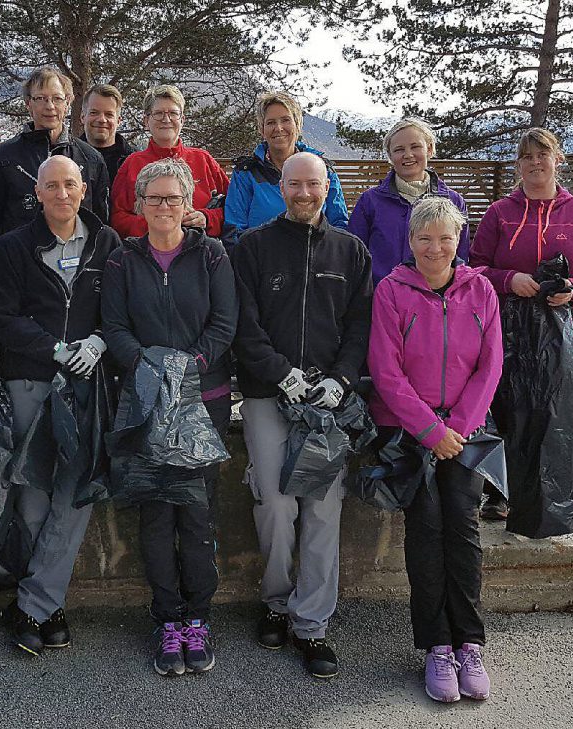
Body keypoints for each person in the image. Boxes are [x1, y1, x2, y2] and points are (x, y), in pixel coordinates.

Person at [231, 152, 372, 679]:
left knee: (321, 506)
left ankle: (311, 623)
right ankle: (275, 599)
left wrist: (340, 377)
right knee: (274, 502)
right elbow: (244, 327)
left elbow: (360, 325)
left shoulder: (350, 251)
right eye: (295, 184)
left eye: (314, 184)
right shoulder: (253, 247)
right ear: (282, 188)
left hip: (327, 405)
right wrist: (280, 371)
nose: (305, 193)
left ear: (326, 186)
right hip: (270, 394)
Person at [101, 158, 237, 677]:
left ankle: (198, 616)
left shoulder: (212, 256)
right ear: (139, 205)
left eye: (172, 199)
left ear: (188, 205)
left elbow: (225, 323)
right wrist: (152, 366)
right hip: (145, 401)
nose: (163, 207)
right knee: (156, 513)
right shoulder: (122, 260)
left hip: (204, 399)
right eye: (153, 199)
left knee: (198, 512)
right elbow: (113, 327)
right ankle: (167, 619)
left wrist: (189, 366)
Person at [367, 196, 502, 703]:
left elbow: (490, 365)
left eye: (445, 237)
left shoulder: (481, 289)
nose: (435, 247)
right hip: (409, 430)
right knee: (424, 531)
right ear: (410, 241)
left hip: (463, 434)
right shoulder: (391, 290)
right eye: (424, 238)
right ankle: (436, 645)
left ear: (458, 241)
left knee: (463, 532)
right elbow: (385, 369)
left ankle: (469, 641)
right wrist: (429, 430)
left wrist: (458, 429)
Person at [0, 155, 121, 656]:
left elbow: (121, 310)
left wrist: (100, 342)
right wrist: (55, 349)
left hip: (87, 386)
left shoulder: (109, 244)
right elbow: (4, 315)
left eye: (70, 184)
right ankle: (46, 603)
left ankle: (34, 603)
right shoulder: (13, 246)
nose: (62, 193)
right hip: (31, 379)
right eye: (51, 186)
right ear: (37, 193)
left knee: (72, 492)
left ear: (83, 190)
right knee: (34, 493)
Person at [469, 127, 573, 520]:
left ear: (558, 160)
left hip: (565, 331)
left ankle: (551, 492)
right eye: (528, 156)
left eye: (543, 154)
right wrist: (508, 280)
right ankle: (499, 492)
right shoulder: (500, 214)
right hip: (507, 329)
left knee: (553, 414)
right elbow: (474, 266)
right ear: (519, 164)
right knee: (505, 410)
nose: (536, 162)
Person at [0, 66, 109, 257]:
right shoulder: (2, 158)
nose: (50, 106)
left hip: (77, 265)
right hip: (19, 266)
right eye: (41, 98)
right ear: (28, 103)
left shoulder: (90, 159)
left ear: (68, 103)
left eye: (57, 98)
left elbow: (100, 220)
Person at [348, 118, 469, 284]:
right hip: (380, 299)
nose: (408, 155)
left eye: (415, 146)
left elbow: (461, 257)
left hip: (435, 301)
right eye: (399, 149)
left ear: (430, 149)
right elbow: (354, 256)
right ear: (390, 156)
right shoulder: (370, 201)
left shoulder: (453, 201)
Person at [223, 91, 348, 247]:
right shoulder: (246, 173)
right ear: (261, 129)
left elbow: (339, 225)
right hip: (261, 263)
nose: (279, 128)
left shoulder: (323, 169)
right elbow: (234, 231)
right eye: (271, 122)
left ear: (297, 125)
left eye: (286, 120)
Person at [109, 85, 229, 239]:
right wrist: (157, 225)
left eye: (173, 113)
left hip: (201, 252)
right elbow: (117, 218)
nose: (166, 119)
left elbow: (233, 208)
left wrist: (207, 218)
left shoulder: (203, 160)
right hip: (147, 254)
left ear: (182, 119)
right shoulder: (132, 164)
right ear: (146, 121)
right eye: (158, 113)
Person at [79, 84, 141, 185]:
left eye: (109, 114)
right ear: (82, 117)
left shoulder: (135, 162)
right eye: (94, 113)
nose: (102, 120)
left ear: (118, 121)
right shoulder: (68, 157)